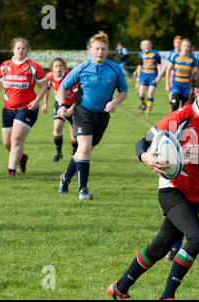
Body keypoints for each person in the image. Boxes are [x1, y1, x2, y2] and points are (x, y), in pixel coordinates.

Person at [107, 68, 199, 300]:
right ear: (198, 92)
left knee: (159, 247)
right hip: (173, 189)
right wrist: (145, 157)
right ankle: (167, 298)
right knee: (197, 238)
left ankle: (119, 288)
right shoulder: (180, 117)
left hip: (198, 194)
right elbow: (142, 143)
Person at [57, 31, 127, 200]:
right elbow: (62, 87)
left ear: (107, 50)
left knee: (84, 151)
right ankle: (83, 189)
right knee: (85, 148)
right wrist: (61, 105)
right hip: (82, 112)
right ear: (90, 50)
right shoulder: (82, 68)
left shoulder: (114, 68)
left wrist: (115, 102)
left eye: (103, 49)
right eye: (96, 49)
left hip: (102, 116)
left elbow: (123, 91)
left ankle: (65, 177)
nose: (100, 52)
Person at [0, 38, 46, 176]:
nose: (21, 50)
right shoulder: (5, 66)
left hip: (27, 108)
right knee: (7, 142)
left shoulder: (33, 67)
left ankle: (11, 171)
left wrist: (36, 101)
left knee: (16, 139)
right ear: (13, 49)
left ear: (27, 51)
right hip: (8, 109)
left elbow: (43, 87)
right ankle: (21, 158)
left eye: (24, 48)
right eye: (18, 48)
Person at [42, 58, 79, 162]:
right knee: (57, 127)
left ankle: (75, 153)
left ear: (64, 67)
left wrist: (71, 109)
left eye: (60, 66)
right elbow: (46, 89)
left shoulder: (70, 77)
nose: (58, 68)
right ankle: (59, 153)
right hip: (59, 105)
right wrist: (45, 104)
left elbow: (79, 96)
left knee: (74, 130)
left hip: (73, 105)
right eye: (56, 66)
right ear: (52, 68)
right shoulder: (49, 77)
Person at [165, 38, 198, 112]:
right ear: (181, 47)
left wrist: (193, 87)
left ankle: (181, 123)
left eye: (188, 46)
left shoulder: (193, 59)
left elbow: (195, 75)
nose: (186, 48)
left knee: (185, 109)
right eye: (184, 46)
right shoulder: (175, 56)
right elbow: (168, 69)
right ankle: (172, 123)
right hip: (176, 84)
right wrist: (167, 84)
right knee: (175, 104)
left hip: (187, 86)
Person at [136, 39, 161, 115]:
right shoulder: (141, 54)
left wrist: (159, 76)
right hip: (143, 76)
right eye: (145, 45)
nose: (147, 46)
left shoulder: (155, 53)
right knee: (141, 94)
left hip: (153, 77)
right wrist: (138, 77)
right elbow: (140, 66)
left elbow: (159, 65)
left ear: (151, 45)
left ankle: (148, 110)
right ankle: (143, 105)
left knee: (150, 93)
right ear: (142, 46)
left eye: (148, 44)